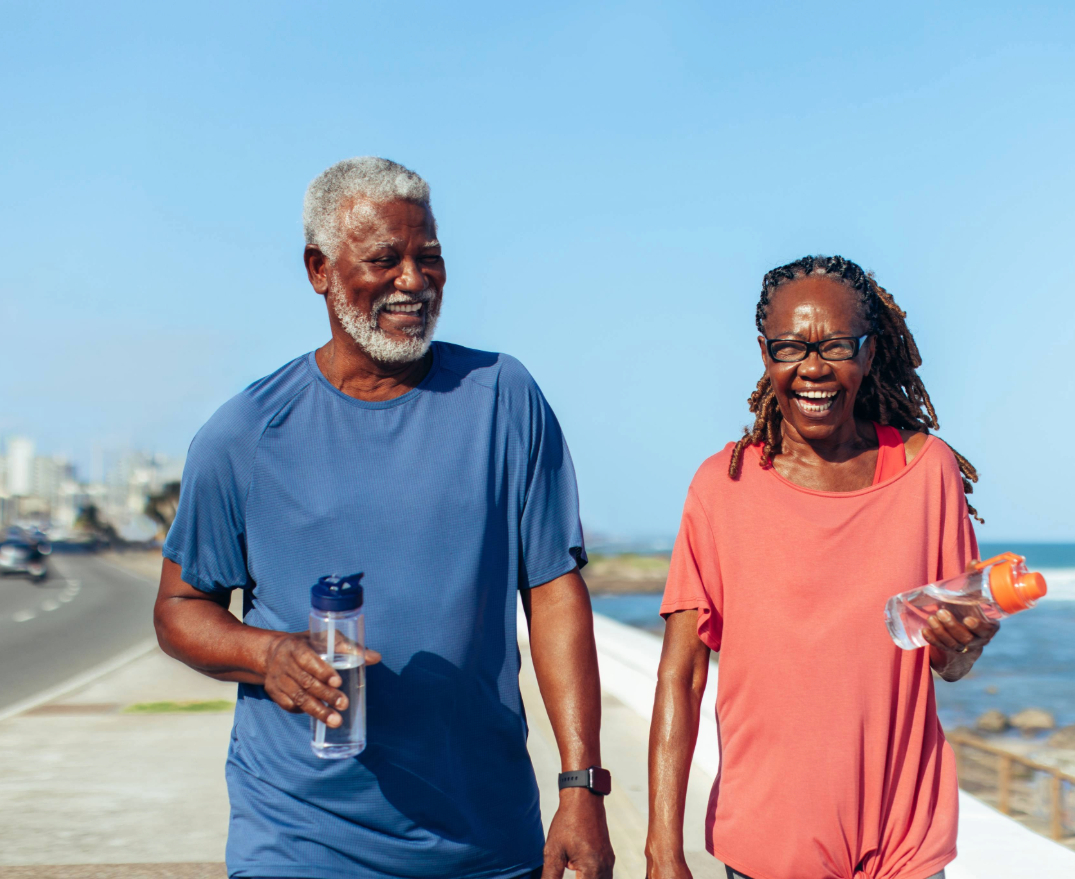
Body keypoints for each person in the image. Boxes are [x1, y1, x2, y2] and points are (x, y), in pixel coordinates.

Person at [153, 157, 615, 879]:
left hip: (486, 840)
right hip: (301, 841)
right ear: (319, 269)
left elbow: (554, 591)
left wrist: (580, 783)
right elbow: (181, 606)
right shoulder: (245, 433)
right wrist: (267, 654)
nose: (413, 280)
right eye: (384, 259)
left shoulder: (504, 398)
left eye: (428, 256)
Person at [644, 255, 999, 879]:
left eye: (836, 345)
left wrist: (964, 644)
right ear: (764, 355)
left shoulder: (928, 475)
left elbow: (950, 661)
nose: (813, 369)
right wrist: (662, 849)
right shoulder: (721, 487)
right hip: (766, 848)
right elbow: (682, 677)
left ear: (868, 352)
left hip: (905, 849)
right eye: (790, 348)